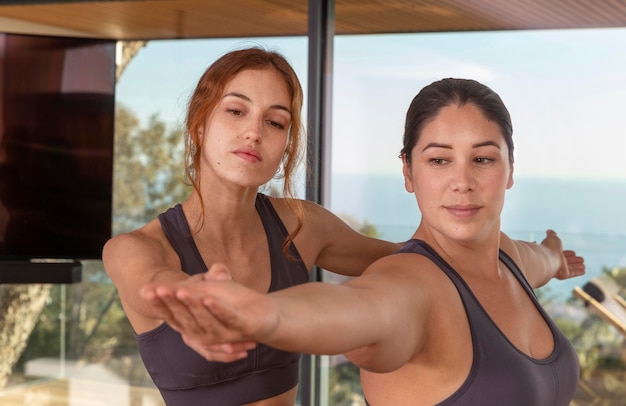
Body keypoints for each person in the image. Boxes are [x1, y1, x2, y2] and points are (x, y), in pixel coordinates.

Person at [139, 78, 586, 406]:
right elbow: (358, 308)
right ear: (409, 174)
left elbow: (539, 259)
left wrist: (554, 256)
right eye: (439, 160)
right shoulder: (408, 284)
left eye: (483, 159)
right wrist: (265, 314)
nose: (462, 182)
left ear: (510, 170)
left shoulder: (509, 257)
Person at [102, 46, 401, 406]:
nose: (254, 132)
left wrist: (484, 240)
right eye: (236, 111)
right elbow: (155, 285)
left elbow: (409, 260)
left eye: (275, 122)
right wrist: (198, 300)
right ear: (198, 126)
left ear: (285, 149)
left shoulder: (302, 226)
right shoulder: (135, 248)